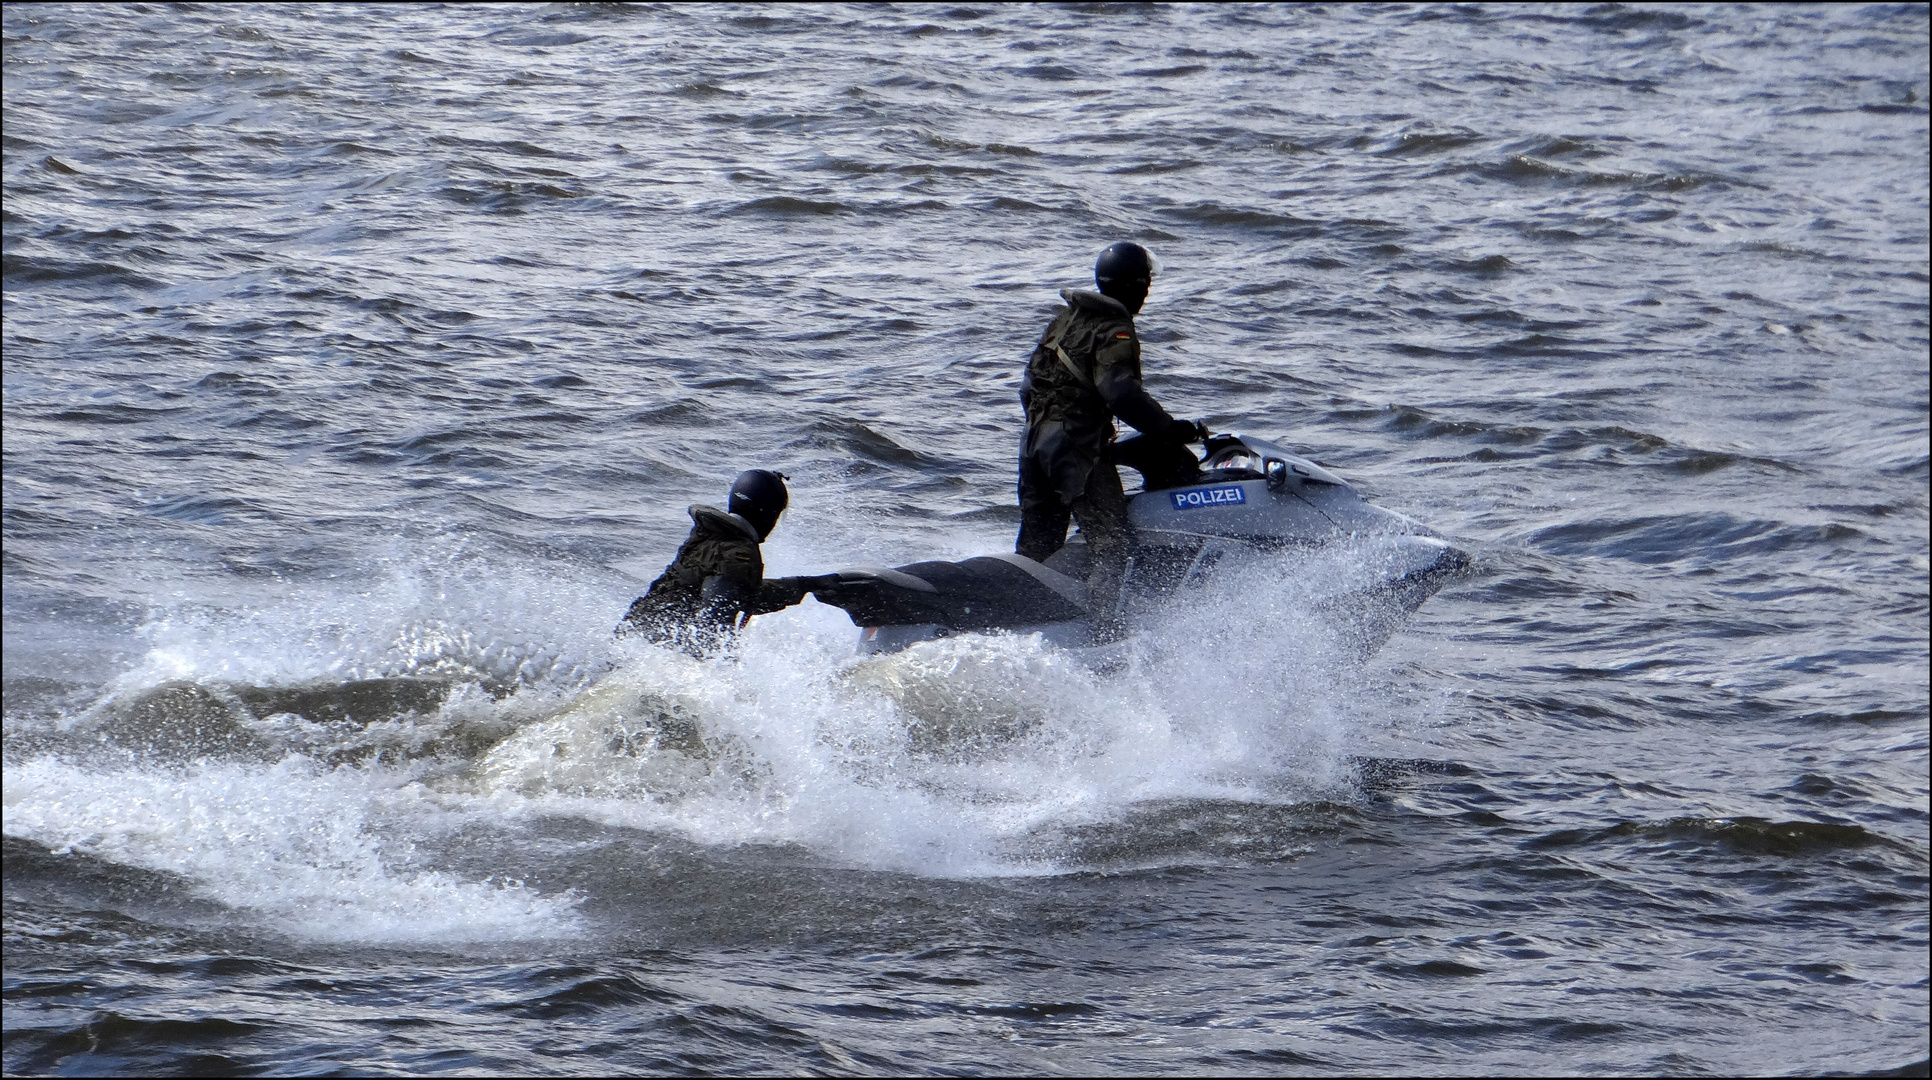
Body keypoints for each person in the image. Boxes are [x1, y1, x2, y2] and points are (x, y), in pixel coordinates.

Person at [1016, 241, 1208, 642]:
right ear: (1135, 286)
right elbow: (1120, 393)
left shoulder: (1065, 320)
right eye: (1146, 283)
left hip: (1033, 442)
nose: (1148, 291)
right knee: (1112, 544)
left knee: (1038, 545)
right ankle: (1102, 636)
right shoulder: (1114, 329)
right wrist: (1169, 429)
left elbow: (1027, 385)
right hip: (1075, 447)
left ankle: (1021, 624)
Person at [616, 469, 836, 654]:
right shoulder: (737, 553)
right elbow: (715, 619)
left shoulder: (710, 536)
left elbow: (740, 593)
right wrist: (725, 676)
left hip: (635, 638)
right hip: (661, 652)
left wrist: (804, 585)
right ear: (769, 515)